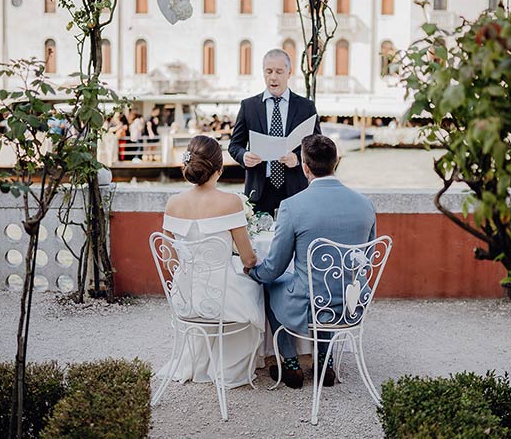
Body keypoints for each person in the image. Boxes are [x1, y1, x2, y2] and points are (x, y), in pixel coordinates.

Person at [246, 134, 376, 389]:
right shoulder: (366, 204)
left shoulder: (292, 206)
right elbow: (366, 261)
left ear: (304, 166)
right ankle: (324, 362)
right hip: (353, 303)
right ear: (336, 162)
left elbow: (274, 268)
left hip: (310, 306)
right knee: (328, 281)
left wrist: (253, 272)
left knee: (272, 284)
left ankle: (291, 364)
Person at [159, 135, 264, 387]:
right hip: (221, 298)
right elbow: (248, 258)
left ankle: (201, 359)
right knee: (257, 287)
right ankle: (229, 365)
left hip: (185, 297)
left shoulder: (173, 203)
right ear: (219, 169)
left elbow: (166, 256)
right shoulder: (230, 202)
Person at [228, 49, 321, 216]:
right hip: (259, 190)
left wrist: (298, 158)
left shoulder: (306, 107)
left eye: (279, 72)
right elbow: (234, 145)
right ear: (263, 73)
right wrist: (244, 156)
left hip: (295, 189)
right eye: (268, 71)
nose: (273, 77)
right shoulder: (248, 106)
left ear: (289, 73)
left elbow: (317, 147)